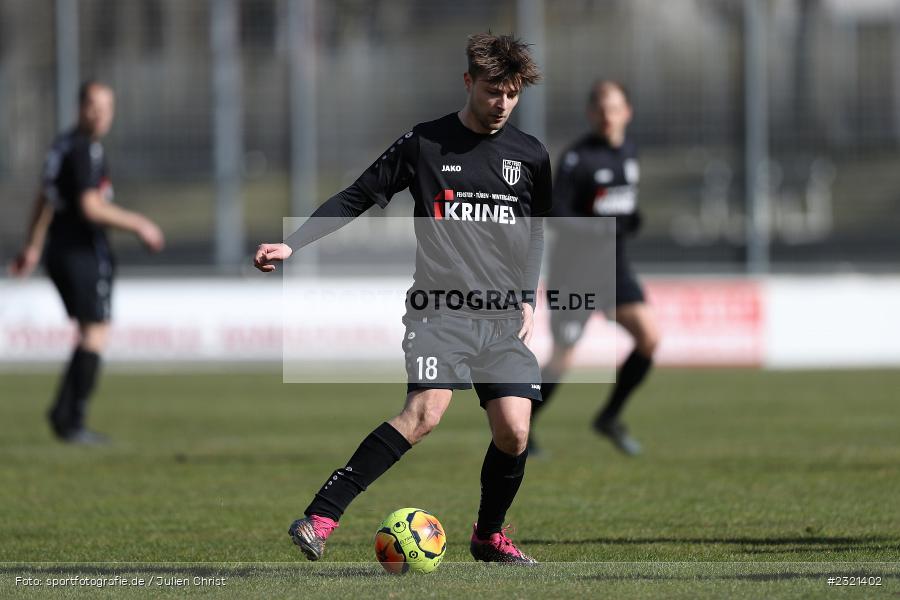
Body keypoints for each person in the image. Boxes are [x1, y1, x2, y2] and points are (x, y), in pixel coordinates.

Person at [254, 33, 550, 564]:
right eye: (491, 90)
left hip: (503, 318)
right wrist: (292, 244)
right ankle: (321, 516)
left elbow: (534, 232)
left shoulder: (530, 155)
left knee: (515, 431)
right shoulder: (425, 144)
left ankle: (488, 536)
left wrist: (528, 296)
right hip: (440, 312)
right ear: (468, 83)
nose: (501, 103)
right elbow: (357, 195)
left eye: (512, 93)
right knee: (424, 414)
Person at [9, 81, 165, 444]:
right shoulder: (85, 150)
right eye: (93, 105)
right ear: (80, 107)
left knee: (88, 331)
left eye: (107, 106)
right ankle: (71, 419)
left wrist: (32, 246)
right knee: (96, 332)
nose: (100, 113)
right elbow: (90, 206)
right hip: (81, 250)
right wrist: (139, 224)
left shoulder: (62, 145)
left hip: (58, 250)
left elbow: (44, 198)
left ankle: (63, 412)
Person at [529, 80, 660, 457]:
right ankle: (521, 429)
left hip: (614, 269)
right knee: (563, 356)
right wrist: (599, 226)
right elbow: (554, 213)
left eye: (615, 108)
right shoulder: (577, 158)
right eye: (601, 109)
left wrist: (632, 219)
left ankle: (610, 416)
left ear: (627, 113)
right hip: (576, 272)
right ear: (591, 114)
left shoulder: (630, 151)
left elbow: (621, 208)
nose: (608, 116)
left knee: (649, 337)